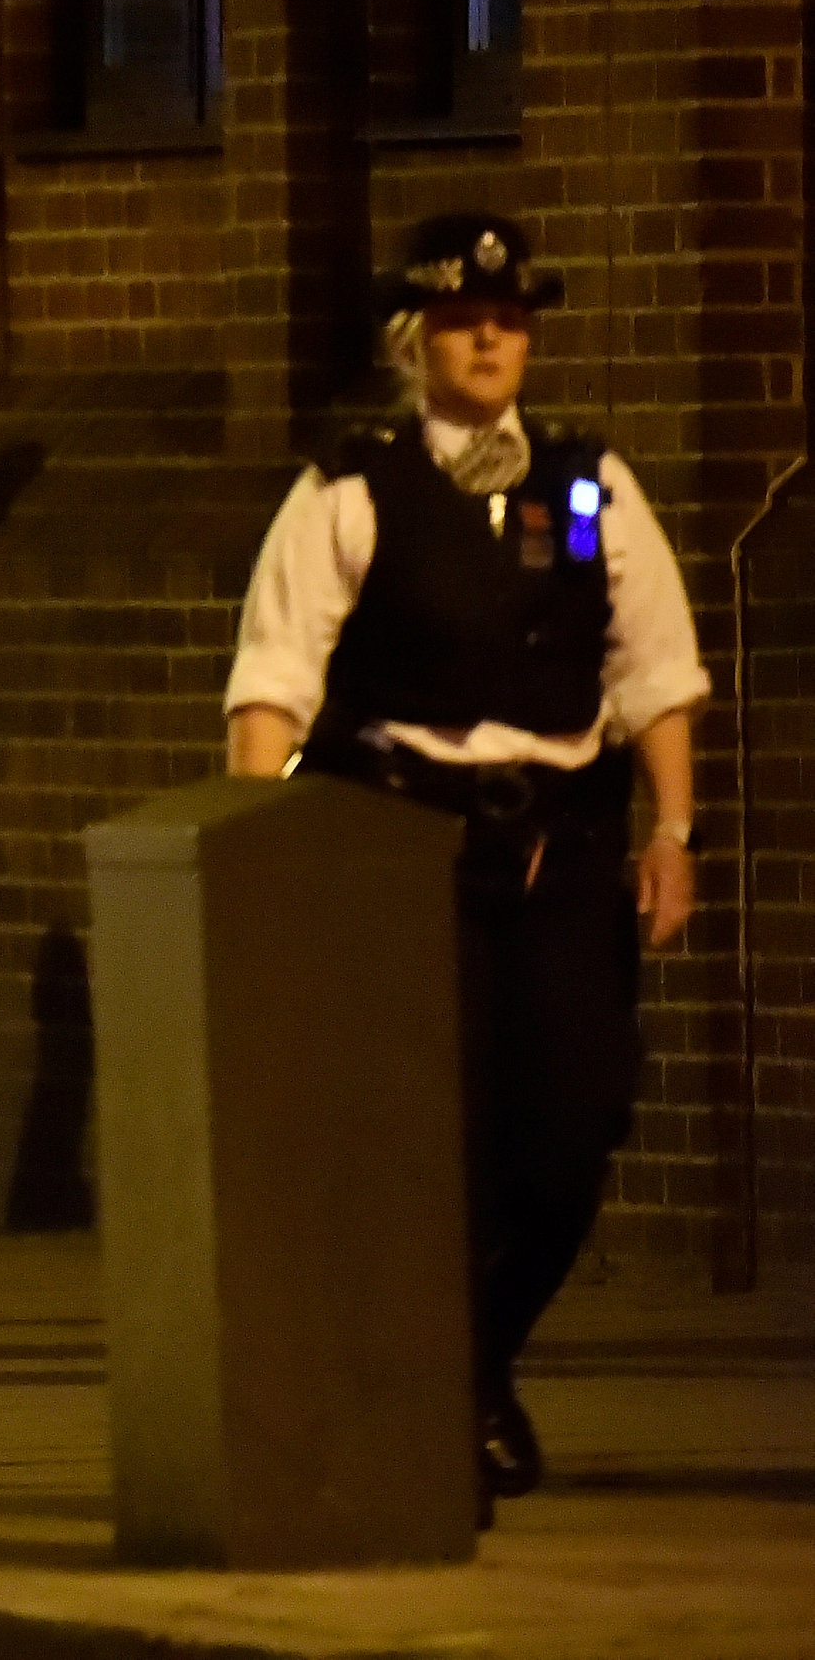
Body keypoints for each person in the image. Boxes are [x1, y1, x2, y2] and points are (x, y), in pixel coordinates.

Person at [223, 212, 704, 1523]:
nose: (491, 336)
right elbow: (272, 687)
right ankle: (431, 1400)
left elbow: (655, 669)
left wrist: (673, 829)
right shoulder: (350, 487)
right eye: (461, 317)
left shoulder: (588, 482)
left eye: (510, 316)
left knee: (572, 1126)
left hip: (559, 845)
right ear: (414, 336)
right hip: (399, 848)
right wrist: (254, 860)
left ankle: (475, 1359)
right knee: (438, 1145)